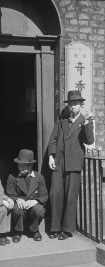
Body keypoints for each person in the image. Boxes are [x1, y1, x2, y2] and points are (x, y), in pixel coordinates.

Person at [48, 90, 94, 240]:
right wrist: (51, 156)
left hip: (74, 163)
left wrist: (87, 122)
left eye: (76, 104)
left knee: (70, 196)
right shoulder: (61, 121)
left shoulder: (85, 120)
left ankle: (66, 229)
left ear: (81, 105)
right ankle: (54, 227)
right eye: (71, 104)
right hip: (59, 163)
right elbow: (53, 139)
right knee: (55, 194)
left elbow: (89, 141)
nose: (73, 107)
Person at [6, 149, 48, 243]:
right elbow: (9, 193)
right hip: (20, 205)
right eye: (19, 165)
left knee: (39, 210)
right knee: (17, 210)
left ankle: (34, 231)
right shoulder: (12, 177)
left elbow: (44, 196)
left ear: (31, 165)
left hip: (33, 204)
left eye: (24, 166)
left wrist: (35, 201)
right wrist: (17, 199)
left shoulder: (39, 177)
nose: (20, 168)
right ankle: (17, 231)